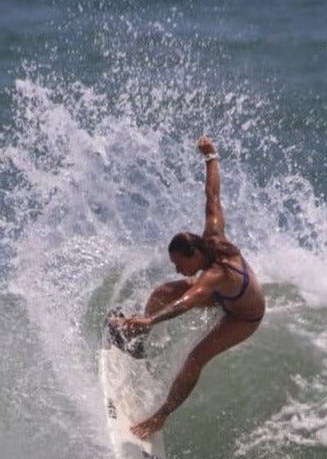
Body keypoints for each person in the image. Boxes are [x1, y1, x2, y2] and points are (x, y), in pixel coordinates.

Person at [110, 136, 266, 439]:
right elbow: (213, 196)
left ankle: (160, 418)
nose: (177, 269)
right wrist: (211, 157)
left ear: (194, 254)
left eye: (179, 263)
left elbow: (188, 301)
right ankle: (140, 343)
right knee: (160, 293)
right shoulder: (210, 236)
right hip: (222, 296)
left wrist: (151, 319)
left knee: (195, 359)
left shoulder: (217, 274)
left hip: (243, 317)